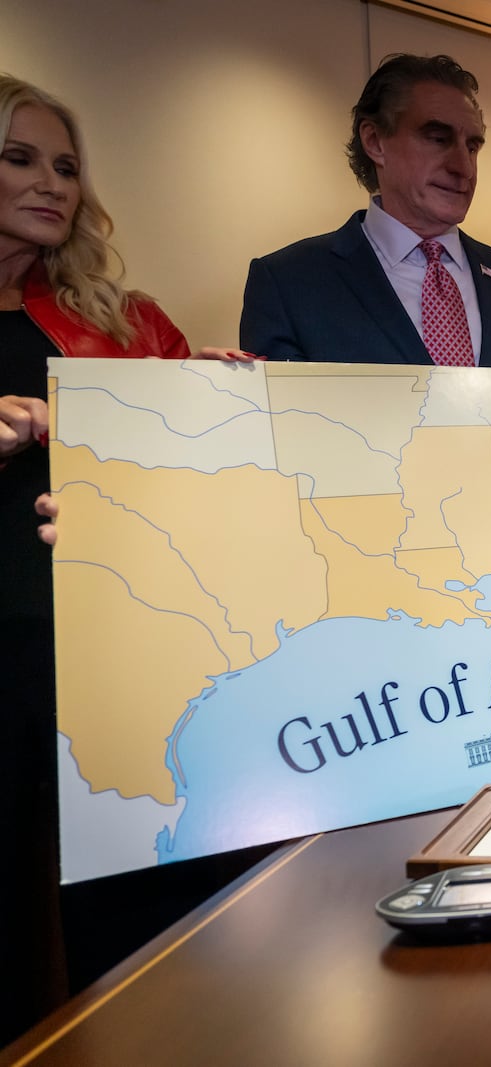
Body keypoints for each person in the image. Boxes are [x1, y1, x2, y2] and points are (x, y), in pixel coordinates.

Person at [0, 74, 253, 1044]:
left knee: (154, 922)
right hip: (9, 661)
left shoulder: (123, 323)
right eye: (19, 158)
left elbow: (195, 489)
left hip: (116, 661)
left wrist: (221, 402)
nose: (53, 183)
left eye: (66, 165)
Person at [239, 53, 491, 370]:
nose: (464, 168)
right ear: (375, 142)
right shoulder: (288, 283)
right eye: (438, 139)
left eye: (472, 147)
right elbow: (280, 424)